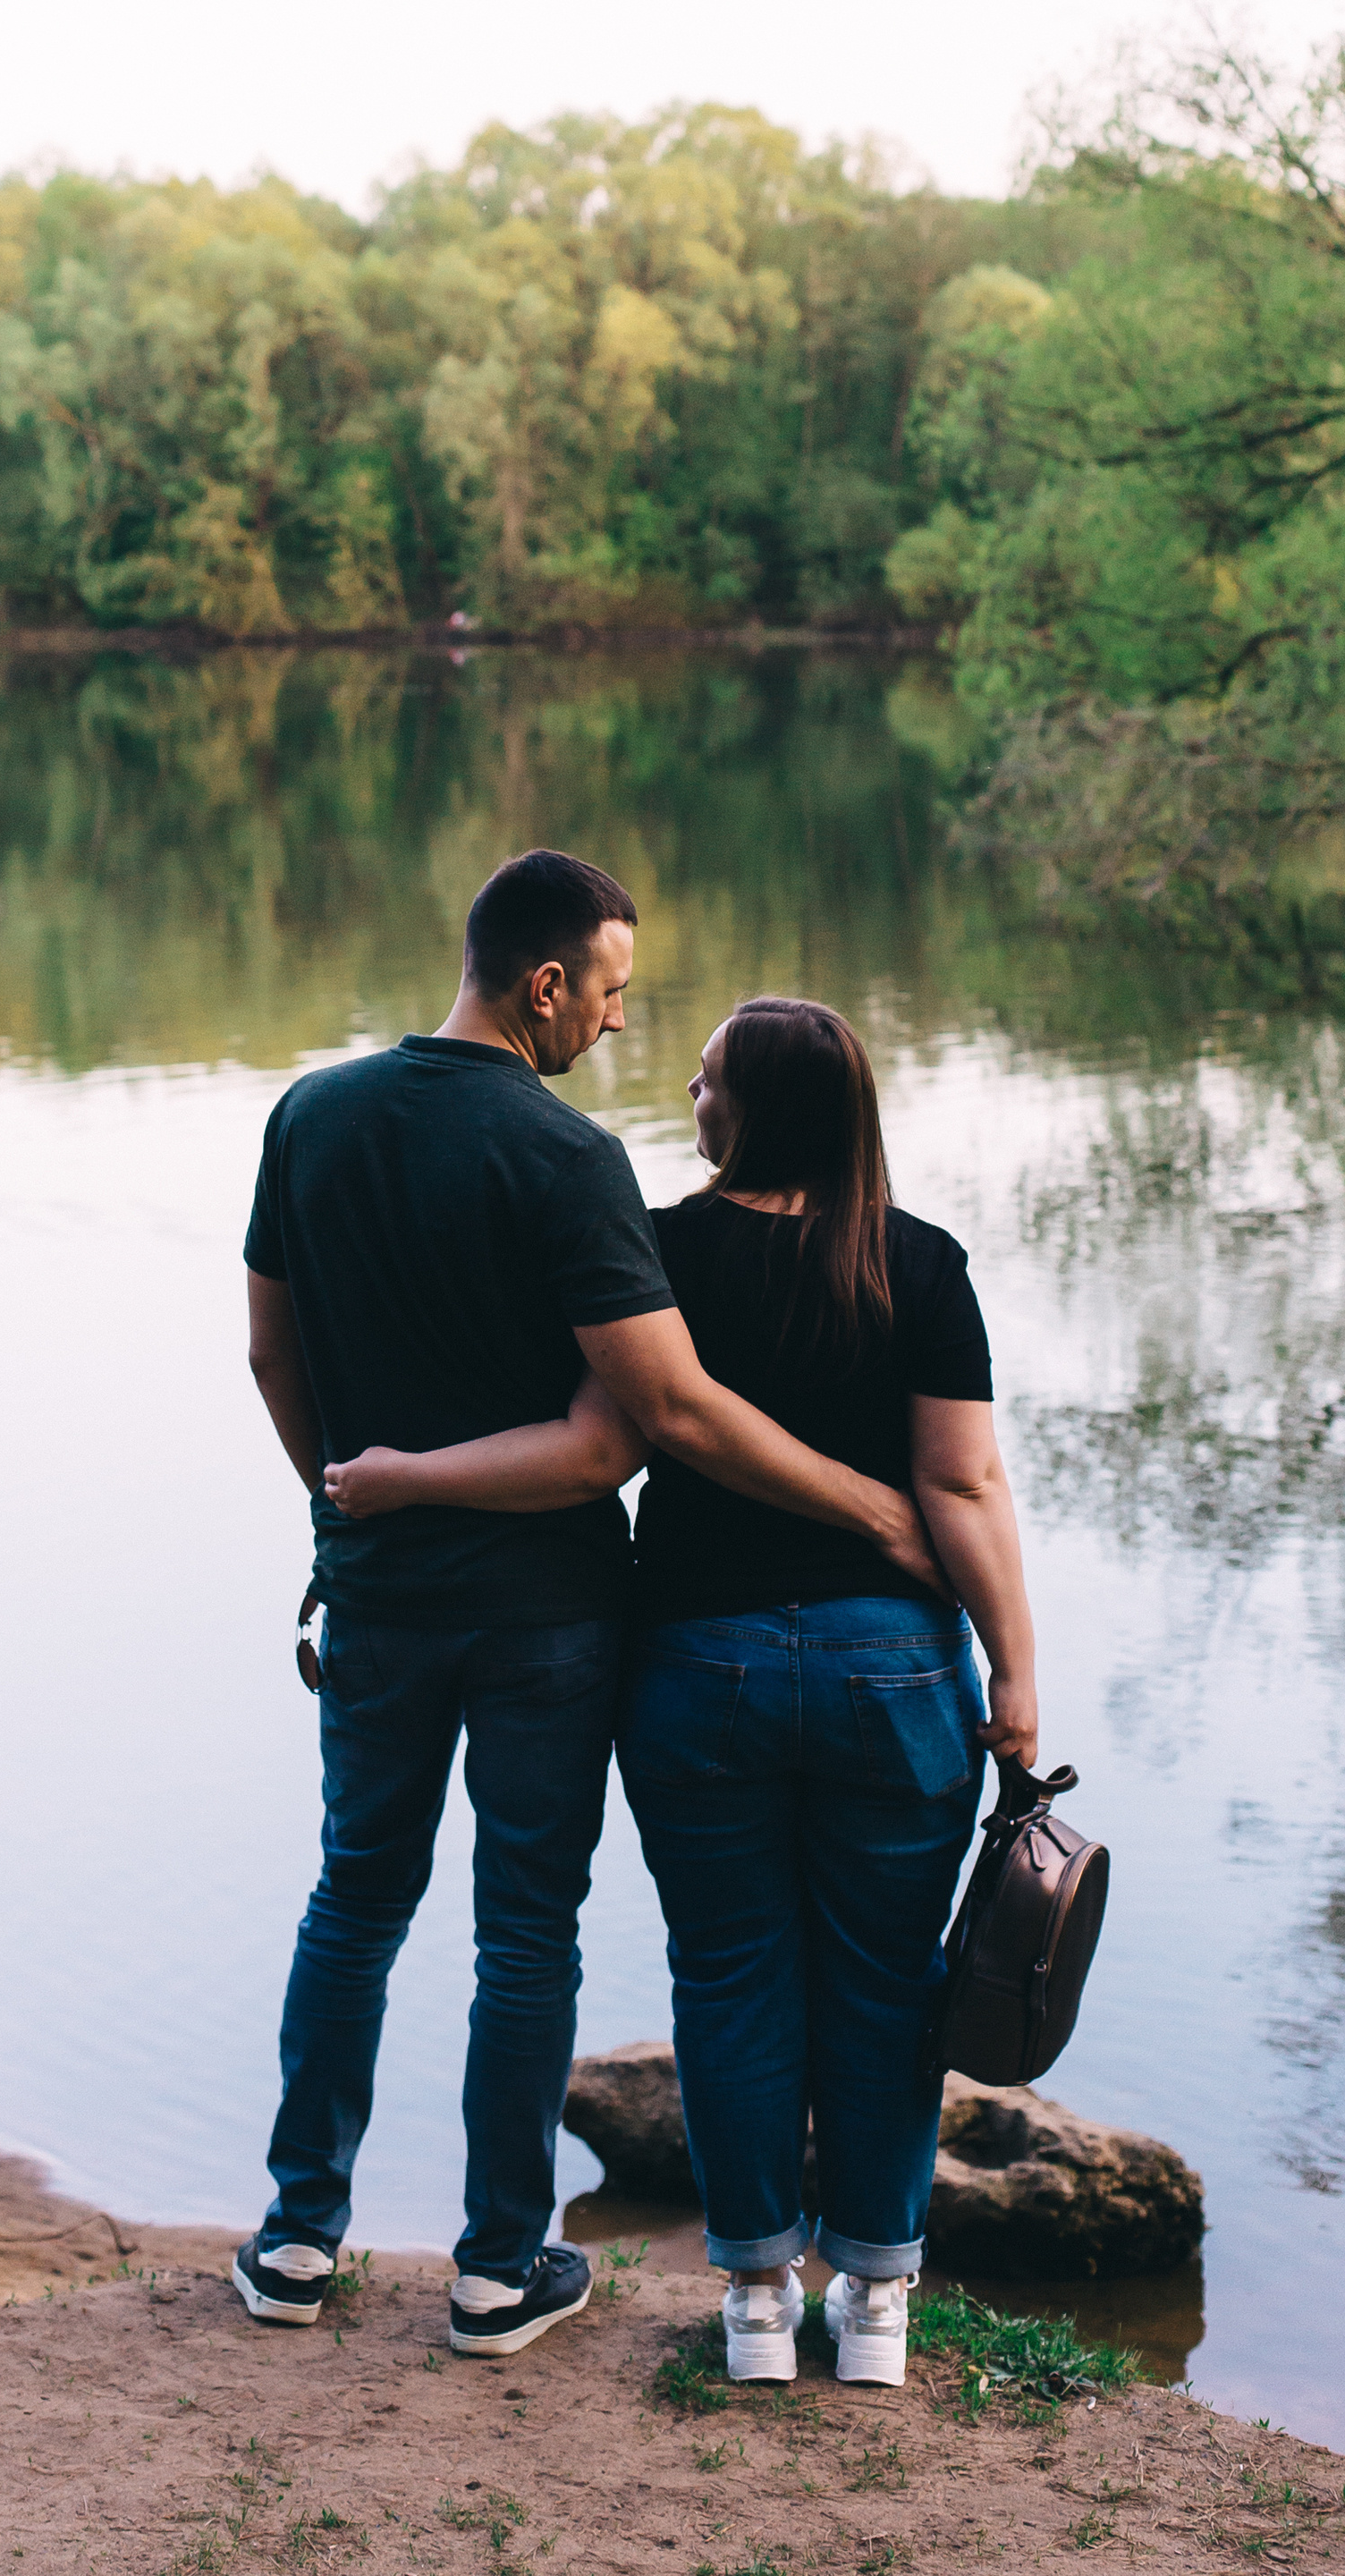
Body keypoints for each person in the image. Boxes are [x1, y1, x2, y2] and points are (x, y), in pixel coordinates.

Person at [236, 867, 943, 2361]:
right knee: (525, 1932)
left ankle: (299, 2239)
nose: (620, 1023)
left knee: (354, 1896)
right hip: (550, 1613)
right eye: (612, 993)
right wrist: (878, 1510)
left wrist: (345, 1500)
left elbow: (270, 1357)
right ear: (545, 984)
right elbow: (637, 1427)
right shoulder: (567, 1162)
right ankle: (499, 2269)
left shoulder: (310, 1116)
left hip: (375, 1598)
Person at [327, 994, 1037, 2391]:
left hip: (697, 1665)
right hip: (890, 1670)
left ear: (752, 1109)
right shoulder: (923, 1263)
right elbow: (961, 1484)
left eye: (708, 1080)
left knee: (730, 1981)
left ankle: (760, 2302)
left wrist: (402, 1476)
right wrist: (1015, 1671)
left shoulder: (653, 1250)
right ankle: (878, 2306)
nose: (693, 1096)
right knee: (891, 1988)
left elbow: (605, 1439)